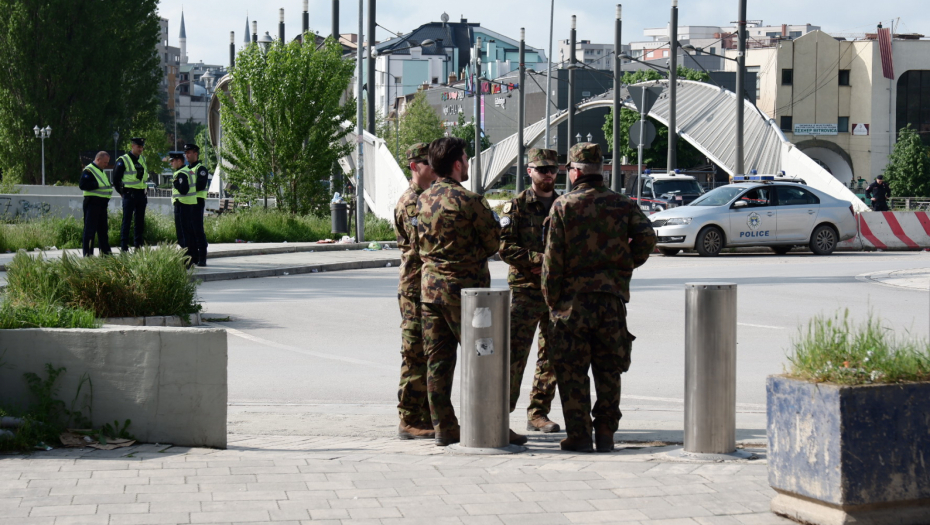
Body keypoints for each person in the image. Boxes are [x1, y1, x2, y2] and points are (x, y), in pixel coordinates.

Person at [542, 143, 656, 453]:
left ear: (574, 171)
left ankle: (579, 435)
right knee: (609, 369)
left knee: (572, 370)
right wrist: (625, 265)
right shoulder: (622, 204)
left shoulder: (563, 206)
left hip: (572, 304)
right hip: (610, 299)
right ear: (600, 171)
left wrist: (552, 301)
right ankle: (605, 432)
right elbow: (647, 236)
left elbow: (552, 262)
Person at [416, 137, 517, 446]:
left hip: (429, 293)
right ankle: (490, 424)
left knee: (437, 362)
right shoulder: (469, 201)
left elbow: (414, 244)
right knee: (483, 358)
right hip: (467, 294)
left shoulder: (421, 200)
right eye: (467, 158)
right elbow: (493, 243)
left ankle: (444, 427)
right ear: (457, 163)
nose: (469, 163)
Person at [499, 148, 561, 434]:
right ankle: (500, 412)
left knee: (552, 355)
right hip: (526, 290)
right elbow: (505, 247)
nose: (547, 174)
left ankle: (538, 412)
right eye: (541, 169)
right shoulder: (518, 206)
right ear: (529, 171)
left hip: (558, 291)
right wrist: (540, 261)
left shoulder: (565, 204)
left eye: (552, 169)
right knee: (514, 354)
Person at [393, 143, 437, 440]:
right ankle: (409, 419)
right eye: (427, 164)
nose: (433, 169)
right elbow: (423, 244)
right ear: (414, 167)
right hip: (414, 288)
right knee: (414, 353)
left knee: (429, 353)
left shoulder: (429, 199)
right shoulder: (412, 202)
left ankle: (424, 415)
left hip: (427, 287)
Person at [113, 137, 148, 252]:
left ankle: (138, 246)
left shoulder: (142, 159)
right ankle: (124, 247)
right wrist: (122, 193)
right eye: (138, 146)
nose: (140, 149)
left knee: (140, 222)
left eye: (142, 147)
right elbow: (116, 180)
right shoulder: (123, 160)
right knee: (127, 221)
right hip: (129, 194)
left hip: (141, 194)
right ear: (132, 146)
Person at [78, 152, 114, 257]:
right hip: (92, 203)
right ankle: (88, 255)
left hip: (102, 204)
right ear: (98, 159)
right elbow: (82, 185)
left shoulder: (100, 170)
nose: (106, 165)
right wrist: (96, 184)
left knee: (103, 231)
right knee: (90, 231)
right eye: (105, 162)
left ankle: (106, 254)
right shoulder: (89, 170)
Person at [169, 151, 199, 266]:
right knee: (190, 233)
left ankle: (186, 260)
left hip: (182, 205)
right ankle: (193, 257)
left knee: (183, 234)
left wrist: (175, 183)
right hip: (190, 204)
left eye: (173, 161)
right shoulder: (189, 171)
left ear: (179, 161)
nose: (171, 163)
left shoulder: (181, 173)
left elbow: (184, 189)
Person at [184, 143, 211, 266]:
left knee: (198, 230)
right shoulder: (186, 170)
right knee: (189, 231)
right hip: (187, 203)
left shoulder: (201, 169)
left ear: (196, 153)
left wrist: (187, 186)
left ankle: (202, 256)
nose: (187, 155)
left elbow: (200, 186)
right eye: (186, 153)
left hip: (197, 202)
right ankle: (192, 256)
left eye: (189, 152)